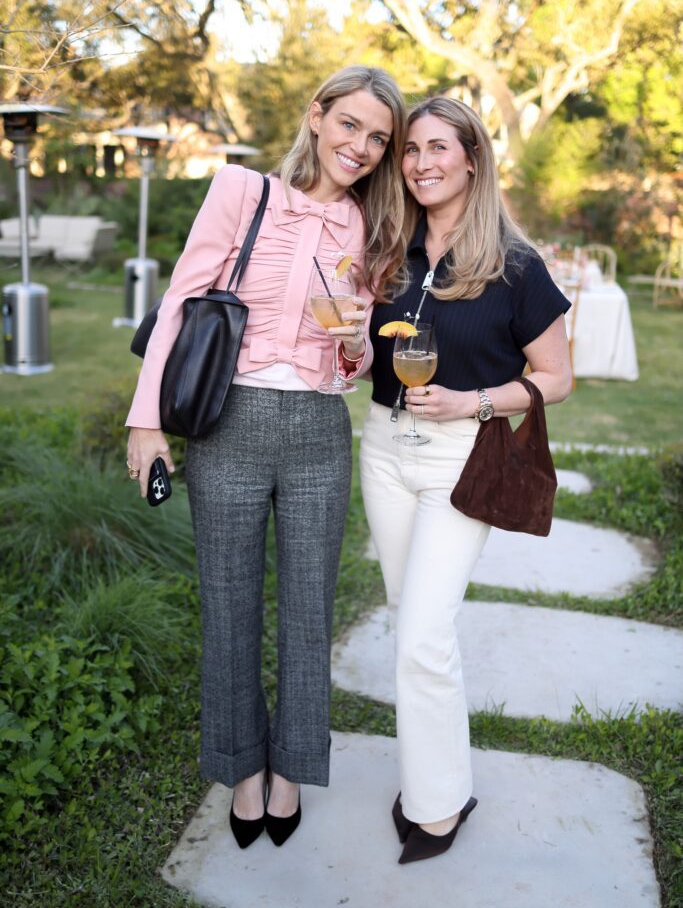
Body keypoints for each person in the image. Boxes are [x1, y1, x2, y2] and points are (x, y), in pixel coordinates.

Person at [125, 66, 406, 849]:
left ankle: (291, 772)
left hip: (320, 430)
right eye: (349, 125)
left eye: (377, 137)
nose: (361, 146)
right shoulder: (240, 193)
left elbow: (353, 369)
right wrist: (146, 423)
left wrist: (354, 344)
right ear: (316, 117)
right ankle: (242, 770)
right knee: (228, 603)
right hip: (230, 422)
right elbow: (182, 300)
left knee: (309, 612)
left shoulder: (370, 227)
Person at [359, 95, 572, 865]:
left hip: (460, 460)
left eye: (437, 148)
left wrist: (472, 401)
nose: (419, 163)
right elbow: (365, 351)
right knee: (411, 624)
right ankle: (434, 776)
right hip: (382, 449)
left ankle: (438, 805)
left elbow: (555, 378)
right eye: (409, 150)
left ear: (471, 160)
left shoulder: (514, 265)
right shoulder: (389, 245)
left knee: (421, 635)